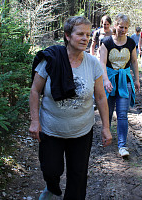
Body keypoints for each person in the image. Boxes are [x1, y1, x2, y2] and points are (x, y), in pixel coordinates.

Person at [29, 16, 112, 200]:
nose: (85, 38)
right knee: (51, 170)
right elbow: (35, 91)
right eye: (80, 34)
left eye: (88, 35)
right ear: (67, 36)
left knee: (78, 176)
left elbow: (100, 97)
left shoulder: (92, 63)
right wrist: (35, 121)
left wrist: (106, 128)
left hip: (81, 131)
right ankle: (51, 187)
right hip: (51, 129)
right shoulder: (50, 60)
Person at [99, 14, 140, 157]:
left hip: (125, 81)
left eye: (126, 28)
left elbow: (134, 61)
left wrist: (137, 79)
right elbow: (102, 63)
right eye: (121, 27)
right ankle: (106, 136)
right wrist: (105, 80)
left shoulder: (130, 43)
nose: (123, 30)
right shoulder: (106, 42)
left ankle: (122, 146)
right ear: (115, 26)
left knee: (122, 115)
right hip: (109, 81)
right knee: (108, 113)